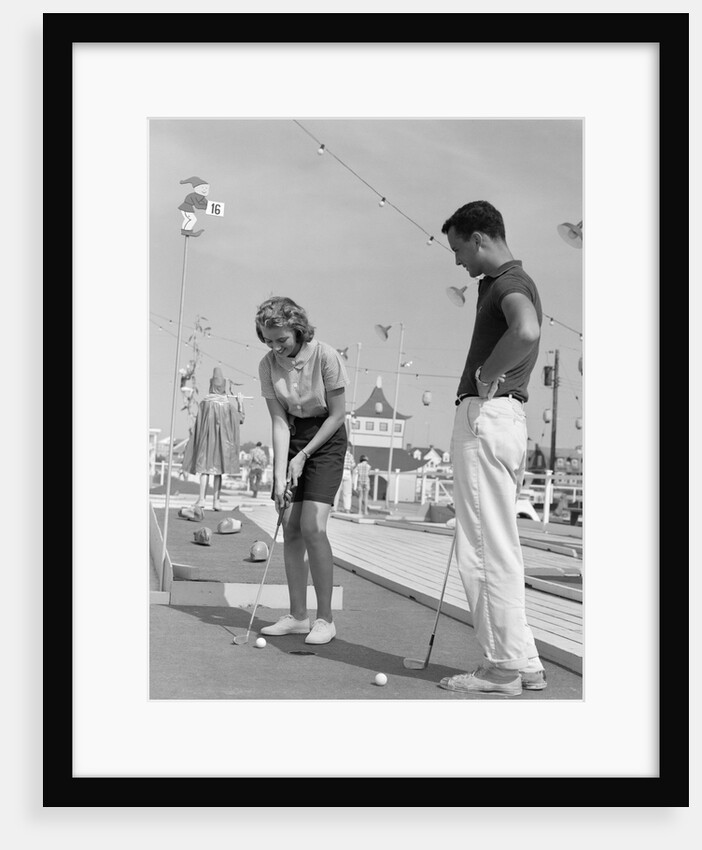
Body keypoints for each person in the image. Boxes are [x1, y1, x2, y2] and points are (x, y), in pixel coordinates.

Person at [438, 200, 547, 696]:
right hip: (503, 417)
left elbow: (526, 329)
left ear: (479, 238)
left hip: (488, 415)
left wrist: (486, 373)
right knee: (498, 542)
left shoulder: (507, 282)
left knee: (482, 548)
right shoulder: (504, 281)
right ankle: (524, 661)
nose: (457, 260)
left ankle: (502, 669)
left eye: (458, 248)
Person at [255, 296, 349, 645]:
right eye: (268, 341)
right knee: (290, 526)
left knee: (312, 526)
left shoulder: (326, 356)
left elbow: (338, 414)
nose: (275, 347)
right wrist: (279, 476)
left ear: (297, 330)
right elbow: (279, 422)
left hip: (327, 439)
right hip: (294, 436)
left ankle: (325, 619)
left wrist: (305, 455)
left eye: (281, 339)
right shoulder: (267, 365)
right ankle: (298, 616)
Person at [181, 367, 245, 511]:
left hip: (205, 443)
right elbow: (240, 419)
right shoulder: (227, 405)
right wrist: (240, 403)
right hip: (222, 445)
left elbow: (198, 425)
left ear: (211, 385)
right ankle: (217, 501)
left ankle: (201, 499)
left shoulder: (204, 403)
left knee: (204, 470)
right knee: (218, 472)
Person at [333, 443, 356, 512]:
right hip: (348, 472)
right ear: (349, 448)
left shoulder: (341, 454)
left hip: (341, 471)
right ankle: (347, 508)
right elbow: (353, 465)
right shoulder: (350, 456)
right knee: (347, 492)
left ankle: (334, 508)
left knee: (337, 491)